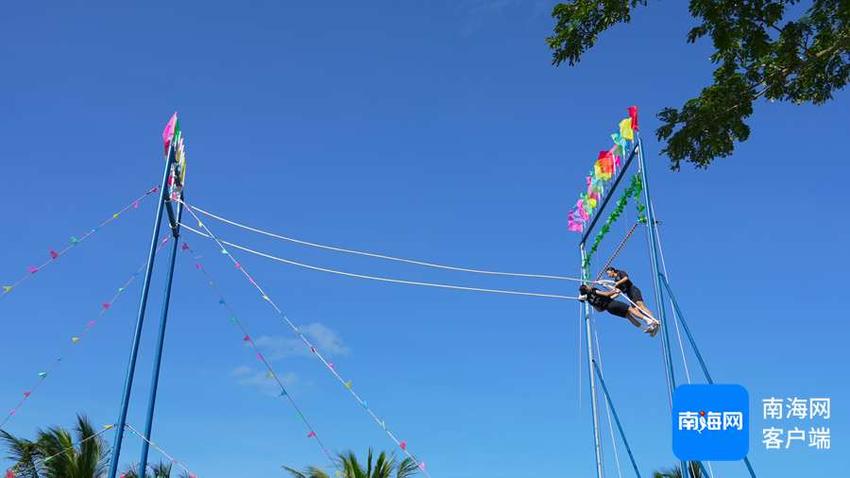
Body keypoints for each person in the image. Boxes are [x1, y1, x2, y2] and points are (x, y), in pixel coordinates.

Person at [578, 284, 659, 336]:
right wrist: (615, 291)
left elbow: (599, 310)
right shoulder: (593, 291)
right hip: (612, 303)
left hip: (609, 310)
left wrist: (606, 302)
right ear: (586, 288)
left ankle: (644, 328)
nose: (589, 286)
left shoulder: (589, 301)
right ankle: (649, 321)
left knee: (628, 316)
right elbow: (607, 294)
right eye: (587, 286)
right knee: (630, 309)